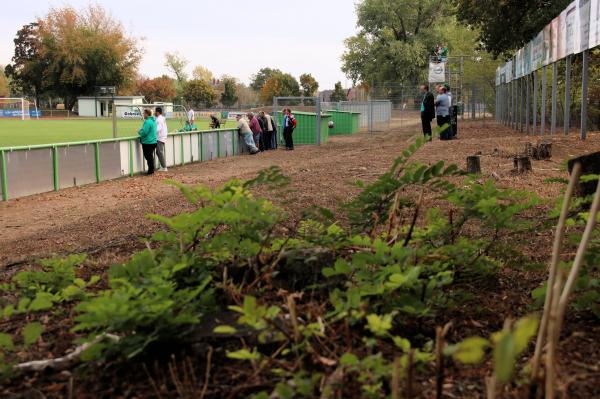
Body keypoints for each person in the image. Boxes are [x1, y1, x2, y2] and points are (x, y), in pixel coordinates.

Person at [138, 109, 158, 175]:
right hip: (153, 141)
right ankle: (151, 170)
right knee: (150, 157)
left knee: (148, 157)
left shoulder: (147, 122)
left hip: (148, 142)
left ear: (147, 114)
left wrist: (139, 131)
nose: (143, 115)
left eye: (144, 113)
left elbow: (145, 132)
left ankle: (151, 171)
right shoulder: (153, 121)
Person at [155, 107, 168, 172]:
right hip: (162, 137)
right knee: (158, 152)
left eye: (155, 111)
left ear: (157, 112)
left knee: (159, 152)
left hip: (160, 137)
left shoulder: (159, 119)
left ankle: (164, 167)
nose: (154, 112)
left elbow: (158, 129)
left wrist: (152, 131)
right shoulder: (161, 118)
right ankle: (163, 166)